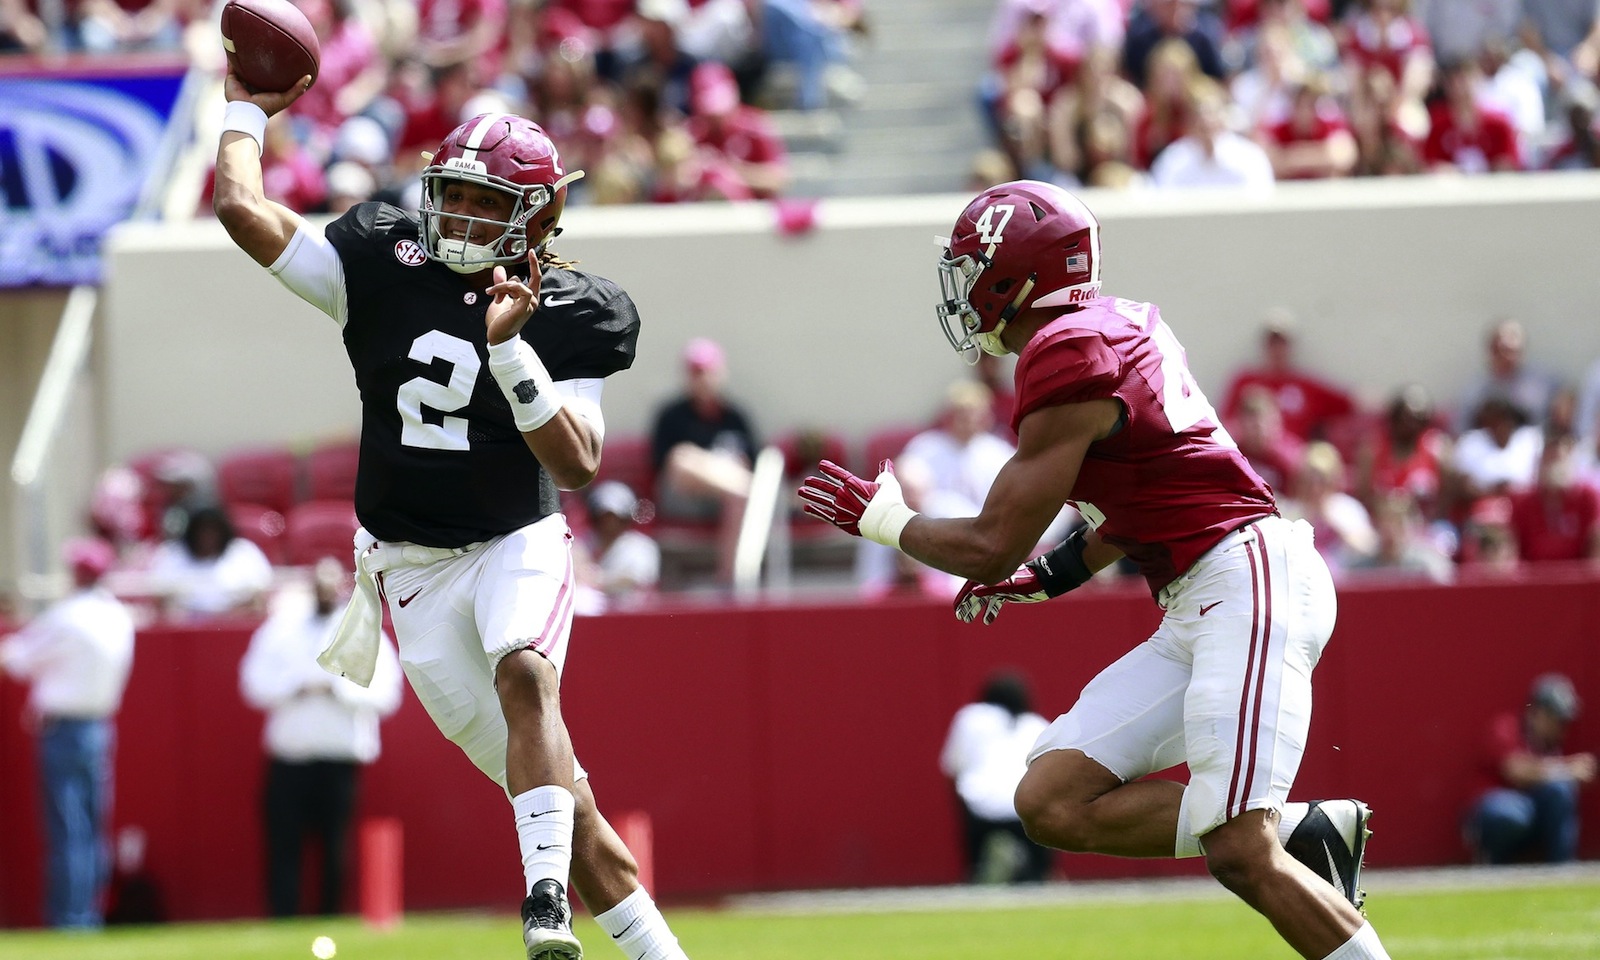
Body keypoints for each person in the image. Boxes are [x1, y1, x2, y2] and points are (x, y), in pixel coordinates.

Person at [800, 180, 1391, 960]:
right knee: (1049, 799)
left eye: (976, 268)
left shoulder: (1066, 350)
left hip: (1245, 583)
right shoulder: (1118, 325)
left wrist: (886, 521)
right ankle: (1307, 832)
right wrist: (1050, 576)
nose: (967, 288)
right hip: (1208, 593)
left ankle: (1293, 847)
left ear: (1018, 275)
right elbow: (1141, 494)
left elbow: (989, 543)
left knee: (1243, 852)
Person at [212, 67, 689, 960]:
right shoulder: (386, 263)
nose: (460, 220)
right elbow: (245, 211)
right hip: (410, 573)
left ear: (541, 218)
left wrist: (511, 354)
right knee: (575, 815)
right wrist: (244, 109)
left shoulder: (574, 308)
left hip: (517, 537)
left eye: (486, 204)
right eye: (453, 197)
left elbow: (578, 463)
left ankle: (541, 904)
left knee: (526, 673)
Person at [240, 557, 404, 918]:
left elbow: (388, 693)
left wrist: (338, 690)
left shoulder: (363, 630)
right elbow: (252, 682)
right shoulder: (280, 629)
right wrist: (296, 685)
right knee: (283, 844)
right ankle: (283, 917)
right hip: (290, 756)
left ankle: (330, 915)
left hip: (339, 758)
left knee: (334, 845)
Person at [0, 538, 135, 929]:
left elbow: (21, 660)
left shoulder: (70, 616)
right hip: (99, 727)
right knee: (92, 827)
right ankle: (88, 912)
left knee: (69, 828)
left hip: (65, 731)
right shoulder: (117, 615)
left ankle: (72, 918)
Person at [649, 337, 760, 583]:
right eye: (696, 373)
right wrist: (715, 465)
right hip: (683, 498)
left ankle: (730, 581)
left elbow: (752, 462)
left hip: (727, 501)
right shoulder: (672, 415)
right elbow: (667, 466)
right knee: (683, 457)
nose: (702, 379)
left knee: (738, 497)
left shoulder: (736, 417)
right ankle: (755, 493)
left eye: (707, 372)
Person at [1464, 673, 1595, 864]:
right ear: (1536, 712)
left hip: (1530, 821)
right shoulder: (1506, 728)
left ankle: (1562, 871)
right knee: (1512, 813)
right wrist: (1567, 769)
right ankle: (1492, 866)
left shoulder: (1551, 747)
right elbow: (1517, 771)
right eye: (1556, 718)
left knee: (1561, 790)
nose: (1561, 727)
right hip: (1492, 816)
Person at [939, 670, 1053, 884]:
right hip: (1026, 810)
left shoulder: (970, 718)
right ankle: (1039, 873)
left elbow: (952, 768)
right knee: (1037, 872)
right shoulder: (1038, 724)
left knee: (964, 794)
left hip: (980, 810)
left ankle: (978, 867)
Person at [1219, 308, 1356, 444]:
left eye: (1282, 343)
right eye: (1273, 343)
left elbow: (1347, 403)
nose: (1277, 349)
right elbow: (1226, 422)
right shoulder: (1246, 382)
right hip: (1251, 457)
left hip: (1292, 459)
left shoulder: (1305, 386)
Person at [145, 503, 274, 620]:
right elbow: (161, 601)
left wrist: (226, 617)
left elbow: (259, 598)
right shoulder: (172, 554)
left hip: (234, 625)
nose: (207, 536)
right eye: (202, 530)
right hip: (185, 631)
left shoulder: (244, 552)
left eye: (213, 530)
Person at [573, 480, 661, 612]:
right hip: (595, 611)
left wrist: (598, 580)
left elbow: (635, 580)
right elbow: (575, 571)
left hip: (633, 612)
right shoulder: (582, 542)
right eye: (604, 516)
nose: (609, 522)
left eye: (615, 516)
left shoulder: (642, 546)